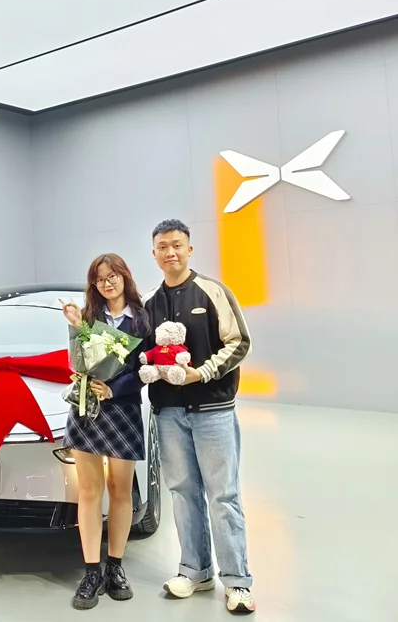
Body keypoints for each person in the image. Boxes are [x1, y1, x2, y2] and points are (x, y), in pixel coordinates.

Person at [141, 219, 256, 614]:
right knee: (183, 492)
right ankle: (195, 571)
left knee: (223, 496)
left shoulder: (212, 291)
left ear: (189, 249)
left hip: (213, 411)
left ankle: (237, 581)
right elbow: (142, 354)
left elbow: (239, 342)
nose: (170, 252)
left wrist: (202, 373)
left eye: (177, 245)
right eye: (162, 246)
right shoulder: (149, 303)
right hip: (169, 414)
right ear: (154, 254)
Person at [59, 253, 152, 610]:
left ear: (124, 277)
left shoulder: (142, 319)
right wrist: (73, 326)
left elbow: (144, 369)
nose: (107, 283)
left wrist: (114, 388)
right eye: (99, 279)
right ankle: (91, 572)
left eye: (112, 276)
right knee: (89, 490)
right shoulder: (88, 317)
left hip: (122, 409)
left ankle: (115, 567)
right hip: (86, 409)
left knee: (120, 490)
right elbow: (76, 360)